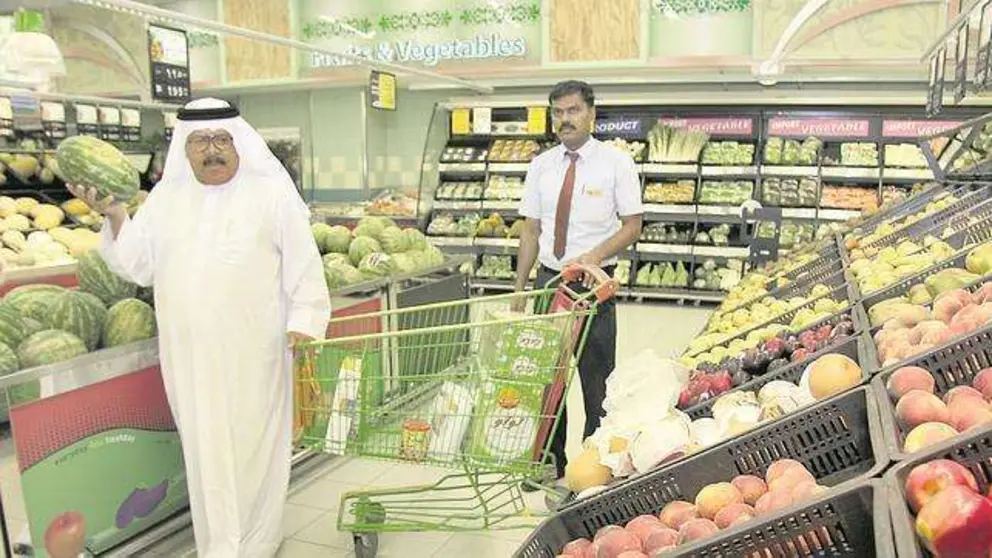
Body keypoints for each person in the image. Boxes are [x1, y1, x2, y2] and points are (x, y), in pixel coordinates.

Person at [66, 98, 331, 557]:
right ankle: (219, 545)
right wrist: (115, 215)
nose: (212, 150)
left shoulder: (270, 194)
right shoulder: (167, 200)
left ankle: (258, 540)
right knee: (205, 453)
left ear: (239, 142)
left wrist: (305, 322)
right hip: (188, 360)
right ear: (184, 150)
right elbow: (137, 266)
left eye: (222, 139)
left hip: (256, 353)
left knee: (254, 447)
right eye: (200, 141)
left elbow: (305, 266)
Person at [512, 80, 643, 480]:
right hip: (549, 283)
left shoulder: (616, 163)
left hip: (593, 284)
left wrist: (593, 257)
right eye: (558, 112)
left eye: (573, 110)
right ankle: (548, 462)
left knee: (596, 381)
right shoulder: (541, 165)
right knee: (546, 380)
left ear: (591, 114)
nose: (564, 119)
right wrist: (520, 288)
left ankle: (593, 468)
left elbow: (633, 225)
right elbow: (531, 230)